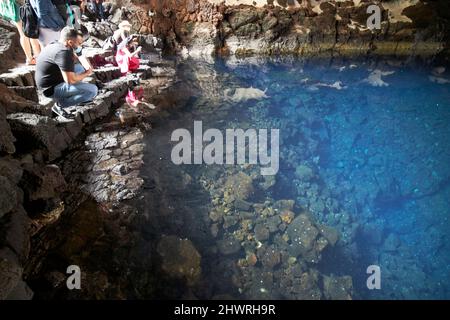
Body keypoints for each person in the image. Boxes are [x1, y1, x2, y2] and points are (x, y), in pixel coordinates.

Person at [35, 26, 98, 119]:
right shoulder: (63, 53)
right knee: (92, 90)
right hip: (50, 89)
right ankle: (59, 105)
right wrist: (87, 73)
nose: (81, 46)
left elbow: (78, 60)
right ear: (70, 42)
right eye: (79, 43)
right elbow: (70, 80)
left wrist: (81, 55)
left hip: (52, 80)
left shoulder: (57, 44)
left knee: (80, 68)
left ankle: (77, 95)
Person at [0, 0, 41, 64]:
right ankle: (38, 57)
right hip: (18, 6)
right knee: (31, 31)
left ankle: (29, 58)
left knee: (23, 33)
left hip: (10, 7)